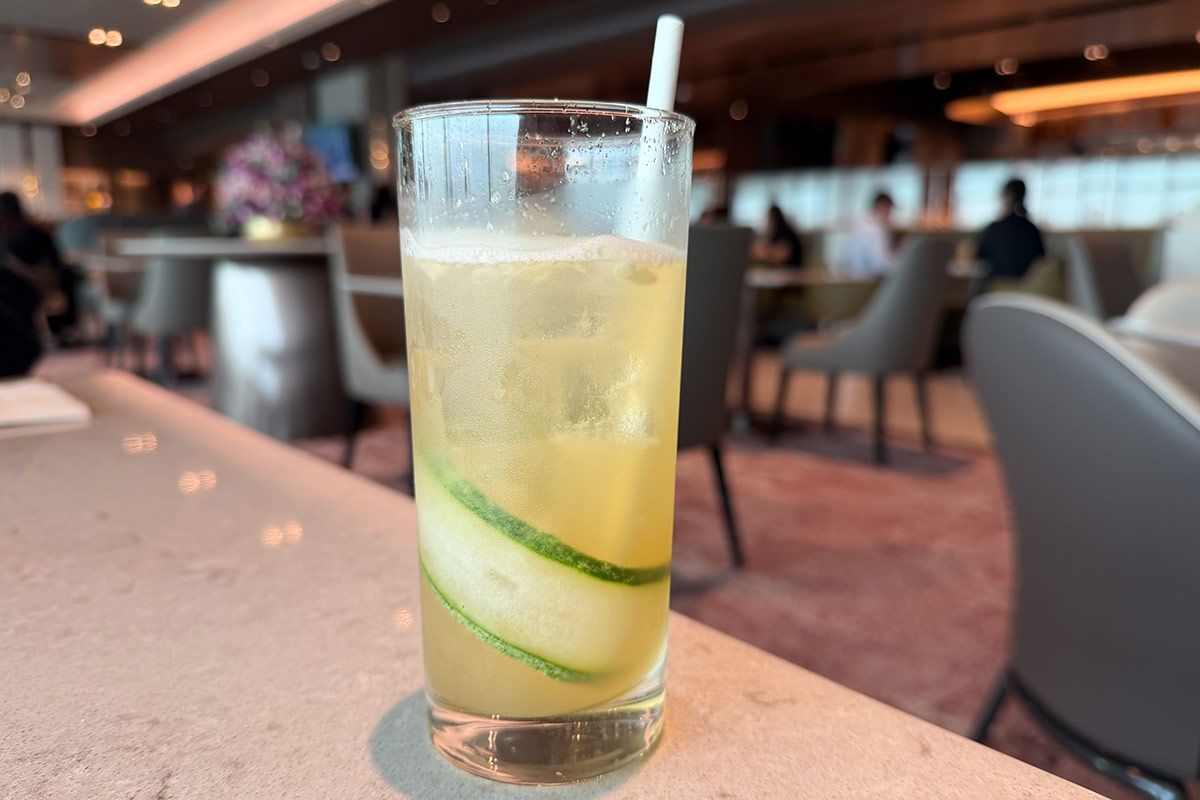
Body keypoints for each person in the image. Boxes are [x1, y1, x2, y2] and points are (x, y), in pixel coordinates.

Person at [975, 178, 1044, 288]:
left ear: (1008, 197)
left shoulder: (995, 228)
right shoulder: (1032, 228)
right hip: (1028, 287)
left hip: (997, 286)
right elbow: (1041, 258)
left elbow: (980, 255)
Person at [838, 192, 895, 278]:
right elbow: (879, 266)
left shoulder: (860, 223)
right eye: (889, 211)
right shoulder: (874, 229)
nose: (890, 216)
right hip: (863, 281)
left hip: (849, 278)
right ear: (882, 207)